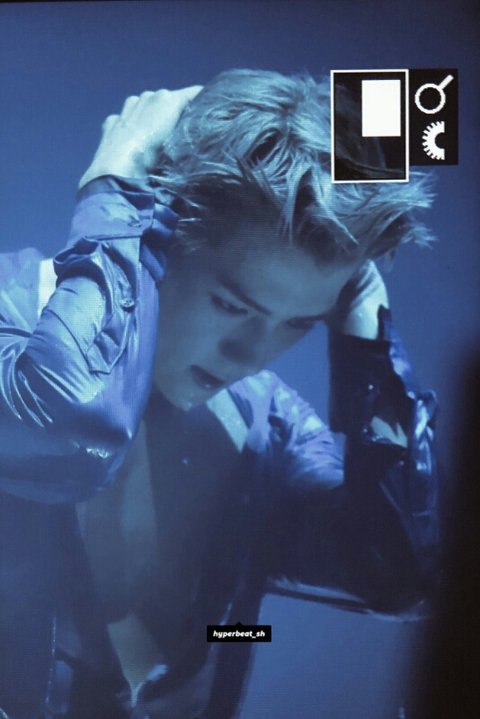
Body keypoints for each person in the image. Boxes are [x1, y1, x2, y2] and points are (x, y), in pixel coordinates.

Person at [0, 70, 439, 719]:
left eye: (299, 323)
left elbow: (399, 574)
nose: (251, 353)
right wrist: (115, 192)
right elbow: (65, 438)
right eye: (231, 304)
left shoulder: (263, 423)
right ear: (155, 233)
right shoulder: (8, 317)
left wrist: (366, 333)